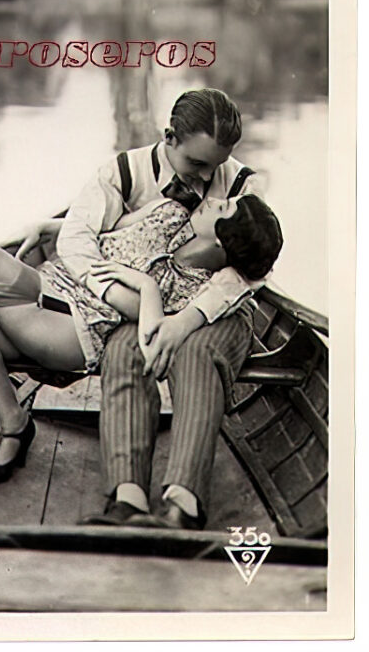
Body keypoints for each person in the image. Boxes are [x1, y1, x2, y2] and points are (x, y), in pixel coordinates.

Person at [0, 193, 281, 491]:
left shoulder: (196, 287)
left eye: (224, 207)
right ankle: (13, 422)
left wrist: (145, 288)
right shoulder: (171, 215)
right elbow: (104, 232)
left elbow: (150, 335)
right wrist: (51, 227)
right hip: (50, 286)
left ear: (222, 242)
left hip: (73, 327)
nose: (213, 199)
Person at [54, 87, 274, 528]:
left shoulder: (242, 184)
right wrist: (129, 301)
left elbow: (252, 272)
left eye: (215, 166)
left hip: (218, 307)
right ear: (169, 137)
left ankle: (182, 505)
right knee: (124, 350)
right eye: (196, 163)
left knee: (196, 352)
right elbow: (76, 241)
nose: (205, 178)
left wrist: (184, 322)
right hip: (142, 300)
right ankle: (128, 498)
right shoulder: (122, 172)